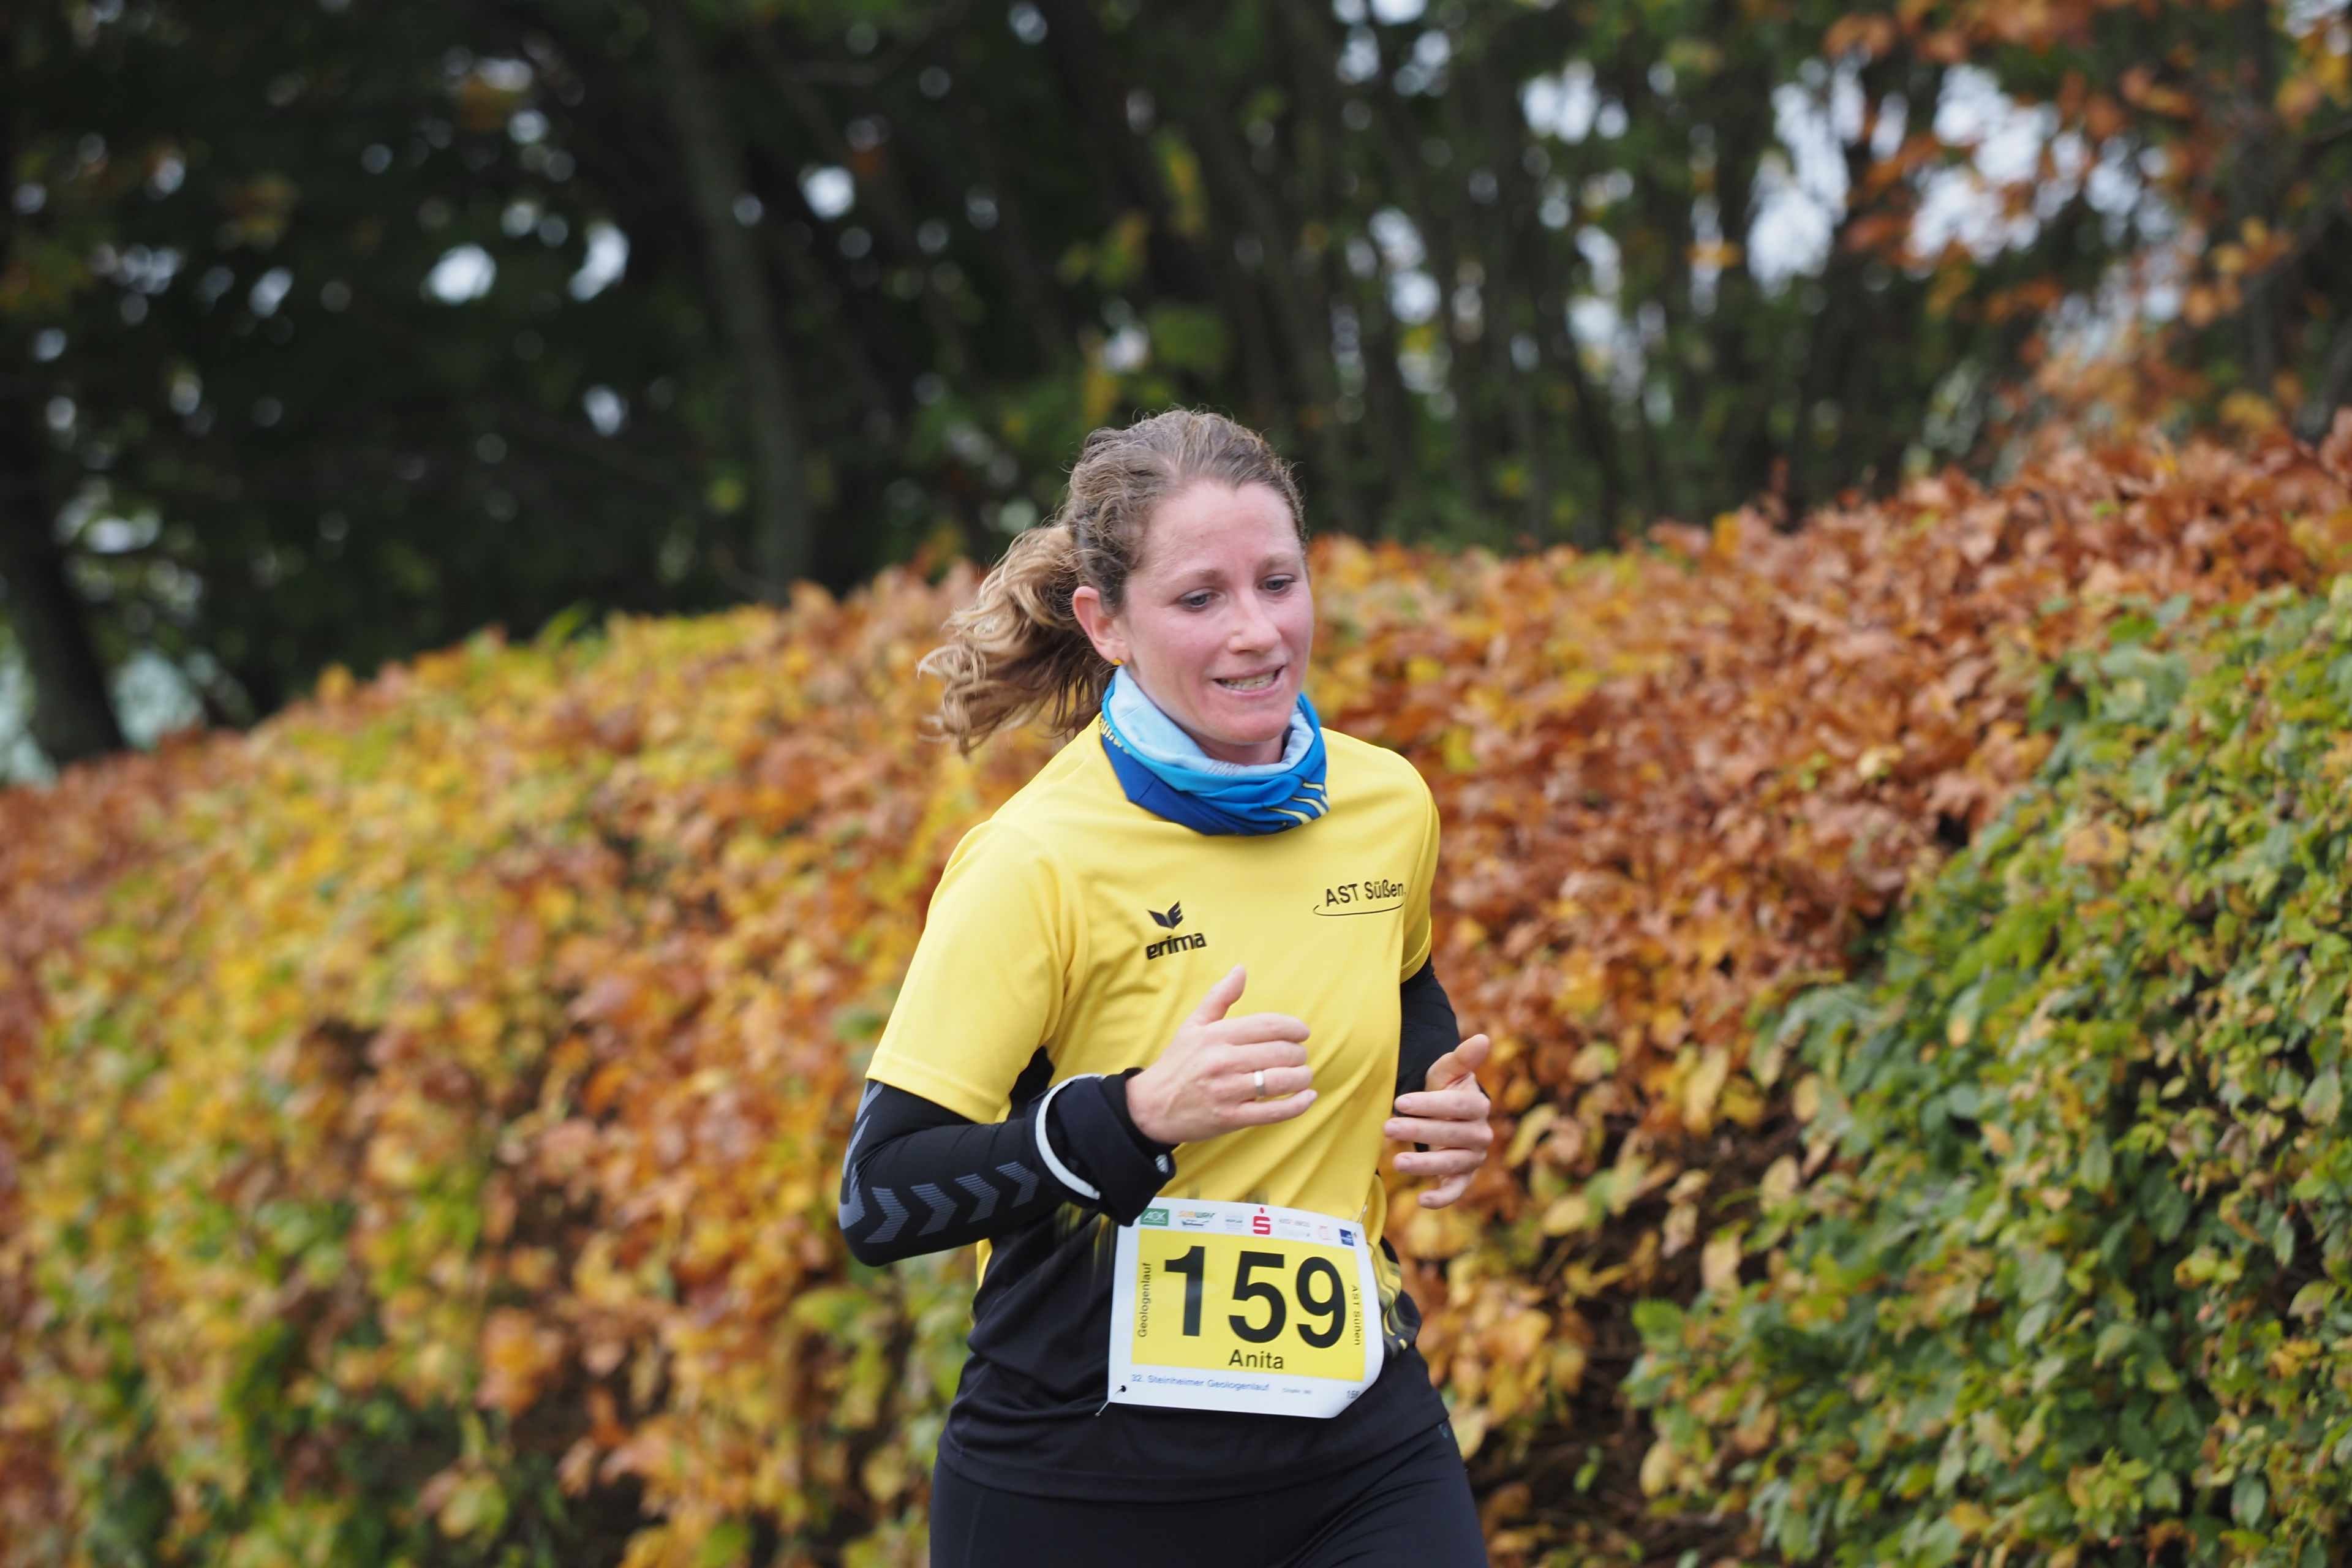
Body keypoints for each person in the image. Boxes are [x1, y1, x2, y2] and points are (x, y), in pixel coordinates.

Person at [838, 409, 1495, 1568]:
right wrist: (1132, 1117)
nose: (1258, 631)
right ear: (1108, 624)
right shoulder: (1035, 860)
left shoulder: (1387, 805)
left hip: (1360, 1452)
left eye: (1278, 582)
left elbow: (1402, 980)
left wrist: (1430, 1096)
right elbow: (881, 1197)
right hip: (1083, 1480)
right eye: (1200, 599)